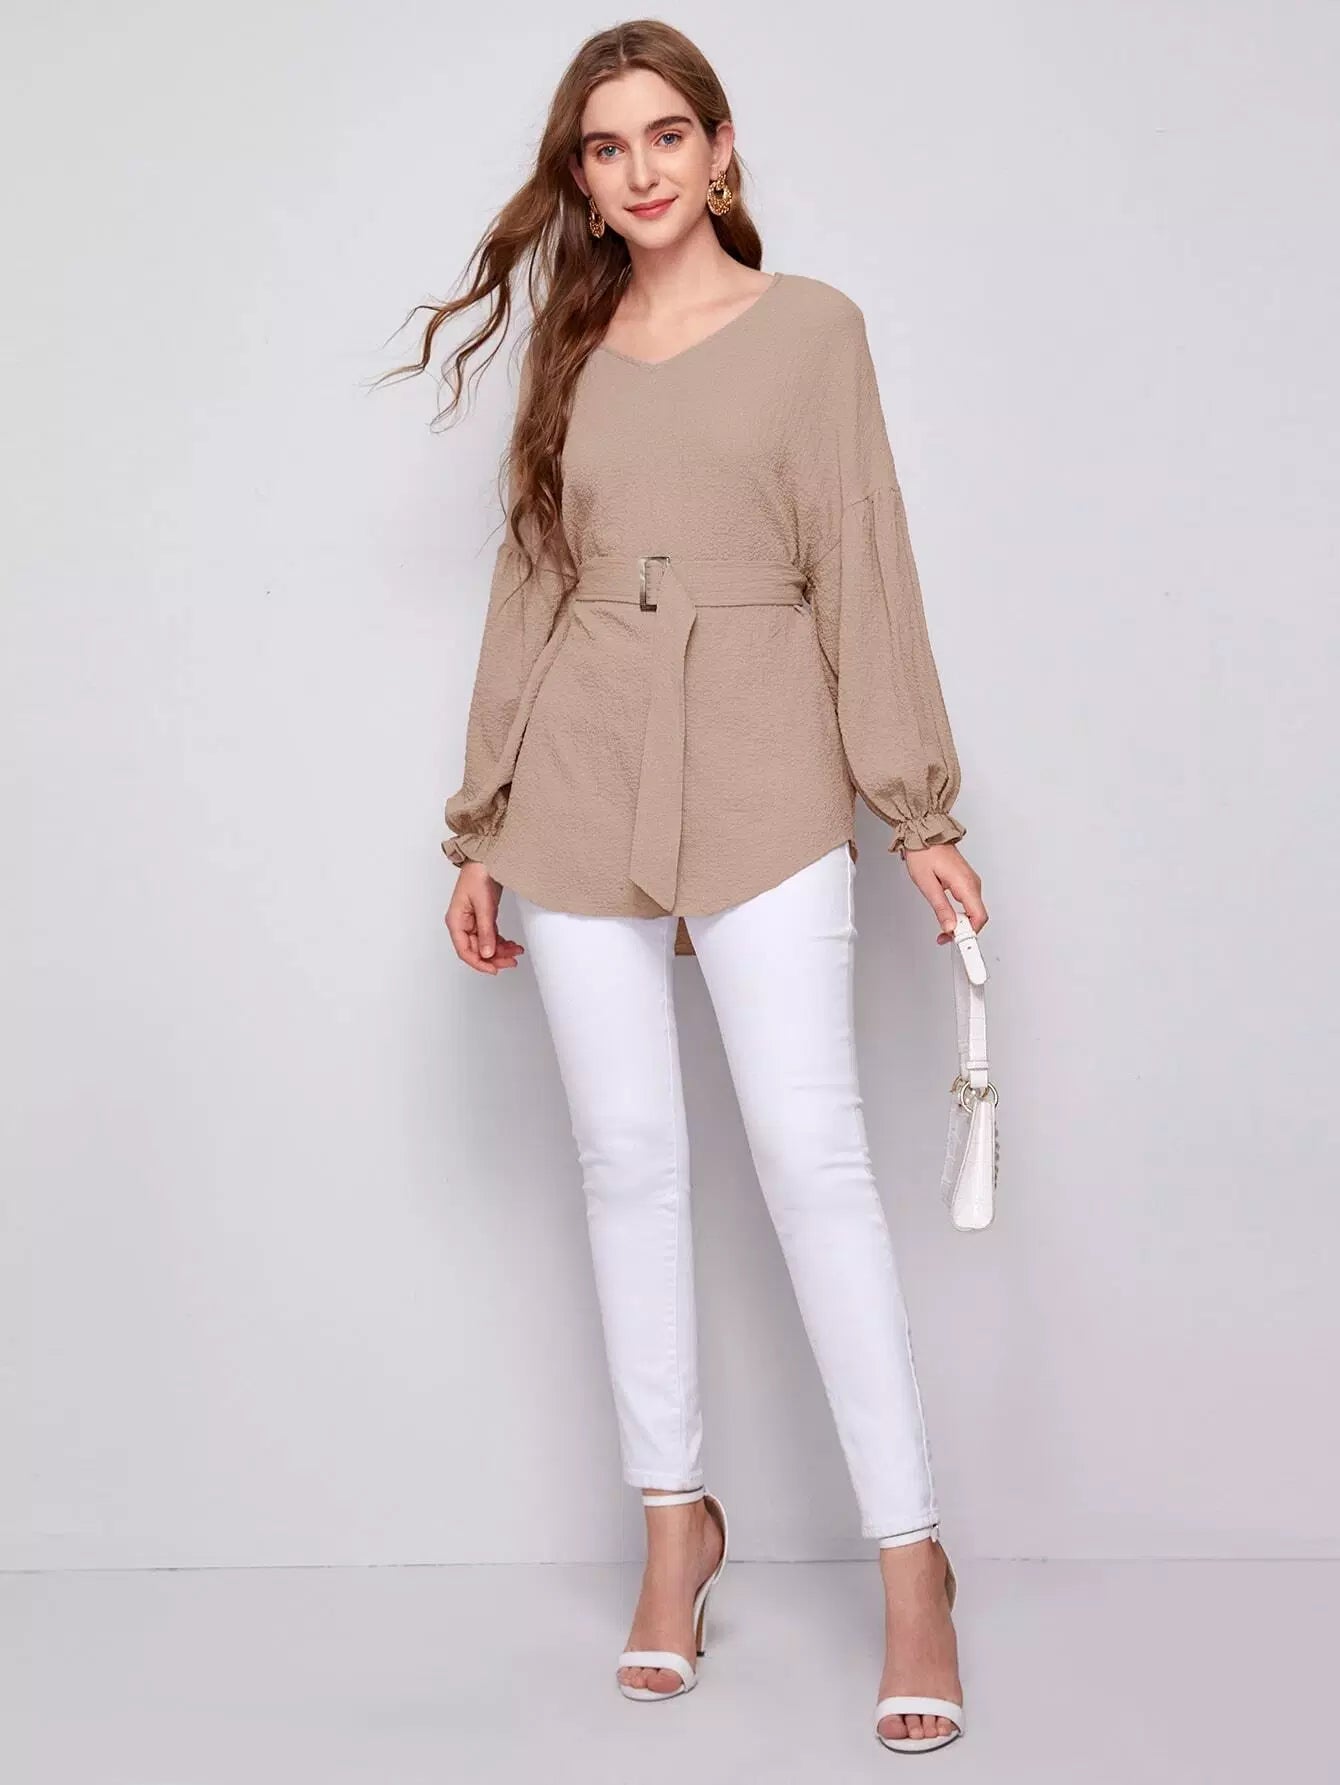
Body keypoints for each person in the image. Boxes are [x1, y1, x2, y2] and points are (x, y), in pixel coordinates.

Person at [386, 20, 988, 1756]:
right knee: (629, 1160)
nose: (640, 169)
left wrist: (916, 808)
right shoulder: (571, 351)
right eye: (606, 146)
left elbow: (862, 558)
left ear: (722, 151)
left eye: (667, 135)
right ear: (581, 181)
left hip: (763, 758)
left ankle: (914, 1564)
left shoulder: (814, 331)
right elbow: (532, 583)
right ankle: (677, 1531)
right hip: (580, 771)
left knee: (812, 1160)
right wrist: (485, 821)